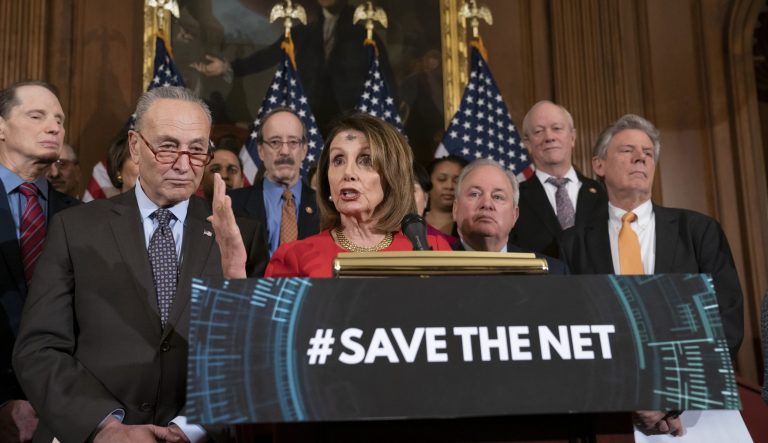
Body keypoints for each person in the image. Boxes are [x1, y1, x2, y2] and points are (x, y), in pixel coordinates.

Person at [13, 86, 269, 443]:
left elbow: (255, 355)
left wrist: (190, 428)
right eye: (168, 147)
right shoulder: (75, 228)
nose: (183, 164)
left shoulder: (240, 236)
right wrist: (104, 426)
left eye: (197, 150)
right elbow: (39, 347)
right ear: (135, 146)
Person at [560, 113, 744, 436]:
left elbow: (726, 319)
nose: (640, 158)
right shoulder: (573, 244)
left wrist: (672, 398)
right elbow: (569, 329)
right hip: (608, 416)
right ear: (599, 165)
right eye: (627, 150)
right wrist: (622, 401)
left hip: (696, 416)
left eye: (647, 152)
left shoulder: (698, 231)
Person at [265, 113, 452, 278]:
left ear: (392, 177)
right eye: (338, 160)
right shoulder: (294, 257)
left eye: (366, 160)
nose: (348, 172)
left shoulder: (430, 250)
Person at [0, 80, 80, 443]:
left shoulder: (82, 218)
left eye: (59, 120)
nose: (54, 127)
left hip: (66, 411)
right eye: (37, 116)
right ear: (2, 127)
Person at [191, 0, 394, 133]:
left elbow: (385, 77)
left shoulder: (364, 34)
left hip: (350, 116)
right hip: (310, 113)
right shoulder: (303, 33)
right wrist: (228, 67)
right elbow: (268, 56)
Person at [510, 100, 607, 258]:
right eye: (539, 131)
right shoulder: (514, 198)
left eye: (557, 128)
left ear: (573, 137)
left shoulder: (604, 193)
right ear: (527, 144)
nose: (549, 137)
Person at [230, 107, 320, 256]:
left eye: (293, 142)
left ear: (304, 150)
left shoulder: (325, 207)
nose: (284, 151)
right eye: (275, 142)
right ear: (261, 151)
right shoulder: (233, 204)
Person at [451, 159, 567, 274]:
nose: (486, 204)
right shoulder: (439, 267)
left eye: (498, 197)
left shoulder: (553, 273)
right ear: (455, 209)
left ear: (514, 215)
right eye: (474, 194)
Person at [413, 162, 457, 246]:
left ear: (425, 198)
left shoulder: (447, 244)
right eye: (441, 179)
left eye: (412, 190)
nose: (449, 186)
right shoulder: (385, 240)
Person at [424, 155, 466, 236]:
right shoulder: (410, 224)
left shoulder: (471, 227)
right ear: (428, 182)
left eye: (456, 181)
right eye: (441, 179)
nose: (449, 186)